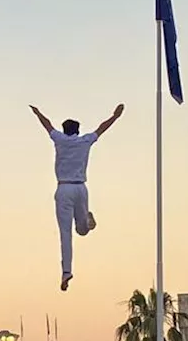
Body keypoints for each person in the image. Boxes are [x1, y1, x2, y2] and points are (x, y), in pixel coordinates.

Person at [29, 103, 124, 291]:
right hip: (80, 188)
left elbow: (47, 124)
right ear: (78, 131)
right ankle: (85, 221)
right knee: (81, 230)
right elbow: (101, 129)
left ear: (64, 131)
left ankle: (66, 271)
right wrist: (115, 116)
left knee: (66, 233)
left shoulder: (60, 140)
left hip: (63, 189)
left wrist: (38, 112)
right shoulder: (84, 141)